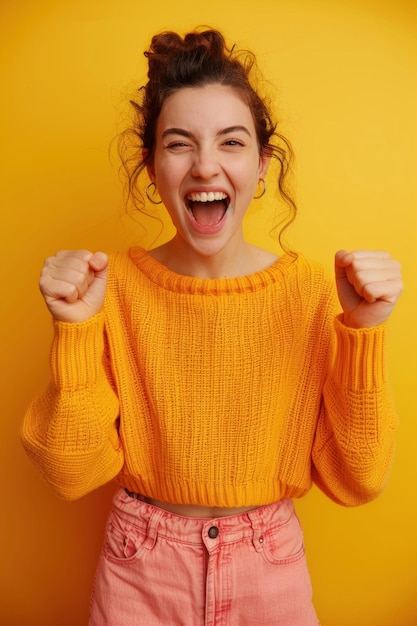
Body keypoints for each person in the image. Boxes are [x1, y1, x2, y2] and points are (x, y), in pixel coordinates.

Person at [21, 28, 403, 625]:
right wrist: (75, 328)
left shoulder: (309, 291)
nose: (205, 165)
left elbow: (358, 479)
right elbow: (70, 471)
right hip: (138, 571)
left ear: (261, 166)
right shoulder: (109, 287)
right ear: (151, 166)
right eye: (179, 144)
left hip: (268, 568)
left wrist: (364, 331)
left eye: (231, 142)